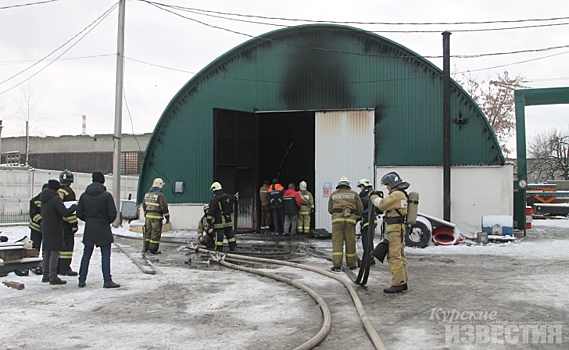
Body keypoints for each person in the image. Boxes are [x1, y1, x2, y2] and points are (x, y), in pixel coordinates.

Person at [75, 172, 120, 289]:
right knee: (105, 255)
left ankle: (82, 279)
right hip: (103, 227)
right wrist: (105, 221)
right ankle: (107, 280)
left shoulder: (84, 195)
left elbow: (79, 213)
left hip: (89, 228)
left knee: (86, 254)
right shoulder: (106, 196)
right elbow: (113, 213)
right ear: (103, 181)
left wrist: (89, 220)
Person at [369, 171, 410, 293]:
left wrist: (373, 197)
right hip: (398, 229)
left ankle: (397, 283)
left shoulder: (397, 194)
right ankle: (403, 281)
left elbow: (382, 204)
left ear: (393, 184)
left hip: (395, 229)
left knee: (394, 256)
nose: (387, 188)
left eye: (387, 185)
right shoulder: (401, 194)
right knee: (400, 255)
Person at [40, 179, 77, 285]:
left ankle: (45, 275)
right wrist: (74, 207)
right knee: (55, 252)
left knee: (47, 251)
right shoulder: (55, 199)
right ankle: (53, 276)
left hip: (46, 228)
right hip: (55, 228)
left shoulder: (43, 197)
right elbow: (64, 212)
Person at [327, 176, 363, 272]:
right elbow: (360, 208)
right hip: (350, 221)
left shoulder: (334, 195)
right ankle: (351, 264)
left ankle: (337, 265)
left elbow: (330, 209)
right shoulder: (354, 194)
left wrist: (337, 214)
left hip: (337, 221)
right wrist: (357, 216)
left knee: (337, 243)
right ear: (348, 185)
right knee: (350, 242)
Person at [57, 169, 79, 276]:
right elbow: (70, 211)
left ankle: (57, 267)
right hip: (66, 224)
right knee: (67, 246)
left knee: (59, 246)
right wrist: (74, 225)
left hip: (57, 224)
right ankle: (65, 268)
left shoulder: (56, 191)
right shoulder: (69, 193)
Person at [207, 182, 239, 252]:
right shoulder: (227, 196)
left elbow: (211, 212)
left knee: (219, 237)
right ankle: (233, 247)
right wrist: (236, 195)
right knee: (230, 235)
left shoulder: (214, 200)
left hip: (219, 221)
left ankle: (218, 250)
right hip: (228, 220)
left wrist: (208, 221)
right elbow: (234, 199)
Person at [142, 178, 170, 254]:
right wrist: (167, 217)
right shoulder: (160, 195)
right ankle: (153, 249)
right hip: (157, 217)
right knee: (155, 233)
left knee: (148, 232)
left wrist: (146, 213)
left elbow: (144, 205)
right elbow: (164, 207)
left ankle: (146, 247)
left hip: (148, 216)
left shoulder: (147, 194)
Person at [28, 183, 48, 275]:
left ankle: (44, 263)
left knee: (46, 247)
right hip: (36, 228)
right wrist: (41, 221)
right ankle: (33, 263)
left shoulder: (50, 200)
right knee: (35, 246)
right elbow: (33, 214)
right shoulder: (34, 201)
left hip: (47, 229)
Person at [357, 179, 378, 265]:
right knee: (367, 240)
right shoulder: (368, 194)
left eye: (361, 186)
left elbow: (370, 207)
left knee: (367, 241)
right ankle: (370, 258)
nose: (360, 189)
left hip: (369, 220)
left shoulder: (369, 195)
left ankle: (369, 259)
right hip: (367, 220)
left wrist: (362, 213)